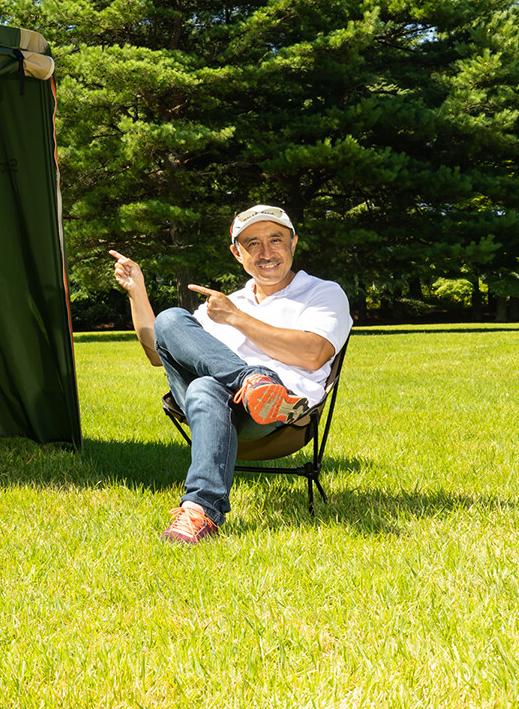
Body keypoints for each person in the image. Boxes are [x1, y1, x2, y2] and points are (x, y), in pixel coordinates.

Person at [110, 205, 351, 544]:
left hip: (281, 414)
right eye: (252, 243)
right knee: (170, 321)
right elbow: (157, 353)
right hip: (217, 409)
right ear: (237, 253)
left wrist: (237, 319)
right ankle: (250, 380)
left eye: (276, 239)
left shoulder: (322, 293)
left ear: (294, 243)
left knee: (206, 386)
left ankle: (200, 511)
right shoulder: (224, 302)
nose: (265, 252)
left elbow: (313, 355)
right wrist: (137, 291)